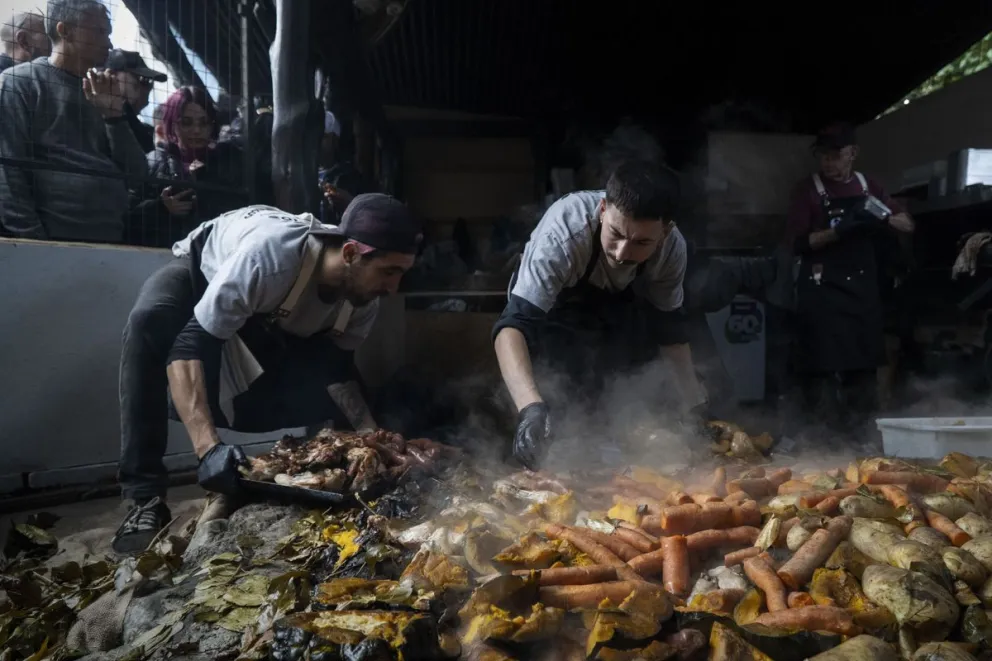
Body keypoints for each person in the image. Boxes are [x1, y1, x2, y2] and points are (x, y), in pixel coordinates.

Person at [113, 195, 422, 552]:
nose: (394, 287)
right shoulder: (269, 258)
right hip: (202, 272)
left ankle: (326, 490)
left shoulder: (362, 302)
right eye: (389, 272)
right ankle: (143, 499)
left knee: (319, 382)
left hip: (270, 314)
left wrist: (375, 438)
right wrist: (208, 450)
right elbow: (191, 346)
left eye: (402, 273)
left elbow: (337, 373)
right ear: (351, 253)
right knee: (148, 321)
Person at [492, 161, 708, 469]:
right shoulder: (564, 233)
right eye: (616, 234)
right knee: (557, 425)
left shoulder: (672, 251)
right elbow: (511, 328)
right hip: (554, 319)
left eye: (641, 242)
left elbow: (669, 330)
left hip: (617, 318)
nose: (622, 253)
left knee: (623, 417)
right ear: (603, 209)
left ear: (665, 231)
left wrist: (694, 407)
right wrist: (530, 408)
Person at [785, 122, 915, 433]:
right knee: (820, 373)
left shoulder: (869, 186)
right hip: (822, 293)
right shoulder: (809, 190)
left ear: (852, 153)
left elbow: (908, 224)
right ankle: (818, 443)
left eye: (835, 155)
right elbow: (797, 244)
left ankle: (862, 441)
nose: (828, 162)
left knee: (863, 374)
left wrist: (881, 214)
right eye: (823, 156)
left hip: (862, 295)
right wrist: (839, 231)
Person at [0, 0, 146, 242]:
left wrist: (114, 117)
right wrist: (33, 241)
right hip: (48, 245)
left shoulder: (104, 90)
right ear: (64, 30)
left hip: (112, 243)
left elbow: (137, 174)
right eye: (100, 32)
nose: (109, 43)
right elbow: (7, 172)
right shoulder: (18, 83)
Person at [131, 86, 244, 246]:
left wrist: (204, 183)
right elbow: (130, 216)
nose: (196, 130)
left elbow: (242, 209)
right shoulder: (154, 162)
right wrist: (161, 207)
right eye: (186, 123)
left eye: (204, 123)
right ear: (172, 124)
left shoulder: (228, 161)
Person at [103, 48, 166, 153]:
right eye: (142, 79)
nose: (148, 89)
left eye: (149, 82)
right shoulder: (94, 118)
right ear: (112, 75)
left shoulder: (146, 132)